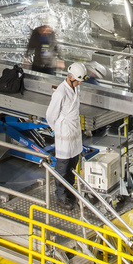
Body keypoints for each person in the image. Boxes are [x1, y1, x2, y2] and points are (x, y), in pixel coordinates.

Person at [44, 62, 87, 203]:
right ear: (71, 78)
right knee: (63, 166)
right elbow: (50, 115)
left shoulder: (75, 88)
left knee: (73, 164)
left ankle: (69, 191)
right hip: (64, 132)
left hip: (74, 130)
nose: (80, 84)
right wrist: (57, 129)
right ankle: (61, 196)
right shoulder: (60, 92)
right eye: (78, 81)